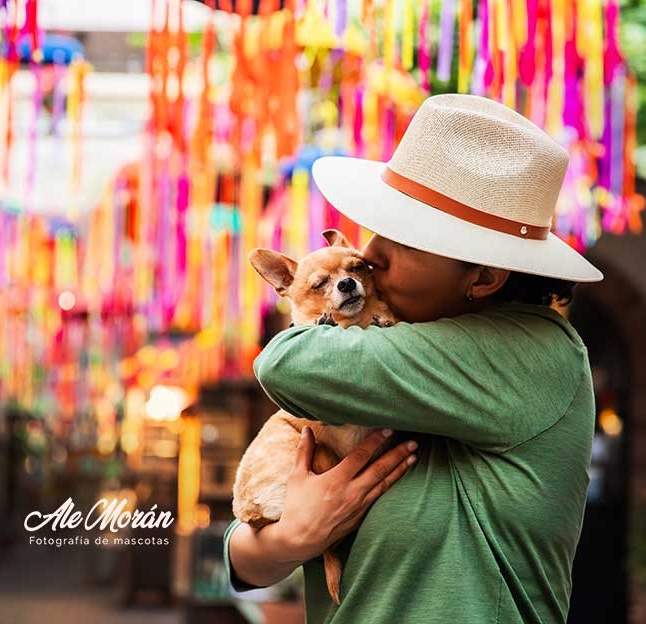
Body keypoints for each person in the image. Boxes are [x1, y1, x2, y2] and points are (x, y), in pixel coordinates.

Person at [224, 93, 604, 623]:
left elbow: (287, 361)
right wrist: (295, 536)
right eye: (379, 228)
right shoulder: (399, 351)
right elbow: (244, 559)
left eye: (406, 239)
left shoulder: (533, 349)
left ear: (485, 277)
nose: (372, 253)